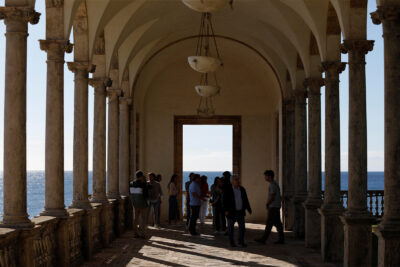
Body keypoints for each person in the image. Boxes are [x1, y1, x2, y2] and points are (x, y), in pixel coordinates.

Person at [255, 170, 284, 244]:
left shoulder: (272, 185)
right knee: (278, 223)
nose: (265, 177)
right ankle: (281, 239)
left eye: (266, 176)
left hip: (273, 207)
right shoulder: (274, 184)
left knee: (269, 223)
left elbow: (272, 196)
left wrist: (267, 203)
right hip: (276, 206)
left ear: (269, 176)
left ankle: (263, 239)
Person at [223, 175, 252, 247]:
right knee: (230, 228)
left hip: (240, 212)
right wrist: (225, 210)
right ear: (232, 181)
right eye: (236, 179)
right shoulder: (228, 189)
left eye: (238, 179)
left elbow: (245, 200)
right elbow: (224, 201)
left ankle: (241, 242)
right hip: (231, 212)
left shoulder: (242, 189)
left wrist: (249, 209)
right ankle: (231, 242)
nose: (238, 181)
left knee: (242, 227)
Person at [130, 170, 151, 238]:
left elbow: (130, 193)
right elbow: (146, 194)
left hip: (135, 204)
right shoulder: (143, 184)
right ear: (141, 176)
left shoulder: (131, 183)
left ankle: (135, 233)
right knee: (143, 219)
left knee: (135, 219)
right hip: (143, 204)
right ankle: (143, 234)